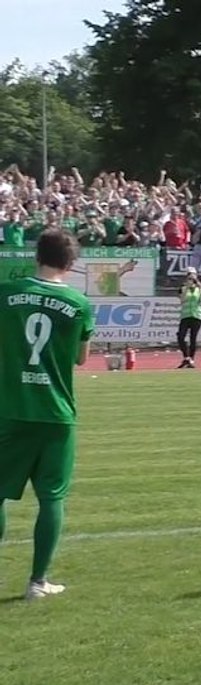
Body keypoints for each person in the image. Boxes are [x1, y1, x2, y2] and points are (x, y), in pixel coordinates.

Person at [0, 229, 94, 600]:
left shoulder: (5, 294)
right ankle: (37, 582)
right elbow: (81, 357)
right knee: (52, 497)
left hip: (9, 407)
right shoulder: (78, 303)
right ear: (70, 263)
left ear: (36, 255)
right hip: (55, 411)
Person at [176, 268, 201, 369]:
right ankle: (186, 357)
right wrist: (187, 289)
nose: (191, 280)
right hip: (185, 316)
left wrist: (200, 288)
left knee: (193, 338)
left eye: (193, 278)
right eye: (189, 277)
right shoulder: (183, 288)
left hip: (196, 315)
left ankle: (191, 359)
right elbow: (182, 300)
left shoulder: (198, 289)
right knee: (180, 336)